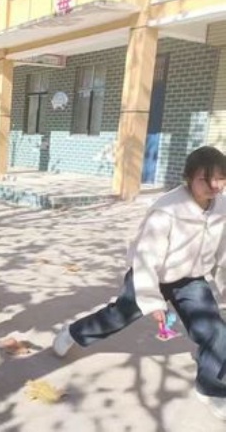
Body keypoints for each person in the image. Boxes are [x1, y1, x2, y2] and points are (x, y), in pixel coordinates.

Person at [52, 146, 226, 420]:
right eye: (205, 179)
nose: (214, 186)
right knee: (117, 316)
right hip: (152, 274)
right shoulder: (167, 210)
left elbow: (222, 255)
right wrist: (152, 300)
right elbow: (146, 258)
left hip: (191, 278)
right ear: (188, 178)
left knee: (215, 330)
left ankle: (210, 388)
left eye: (220, 178)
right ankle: (73, 332)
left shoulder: (222, 208)